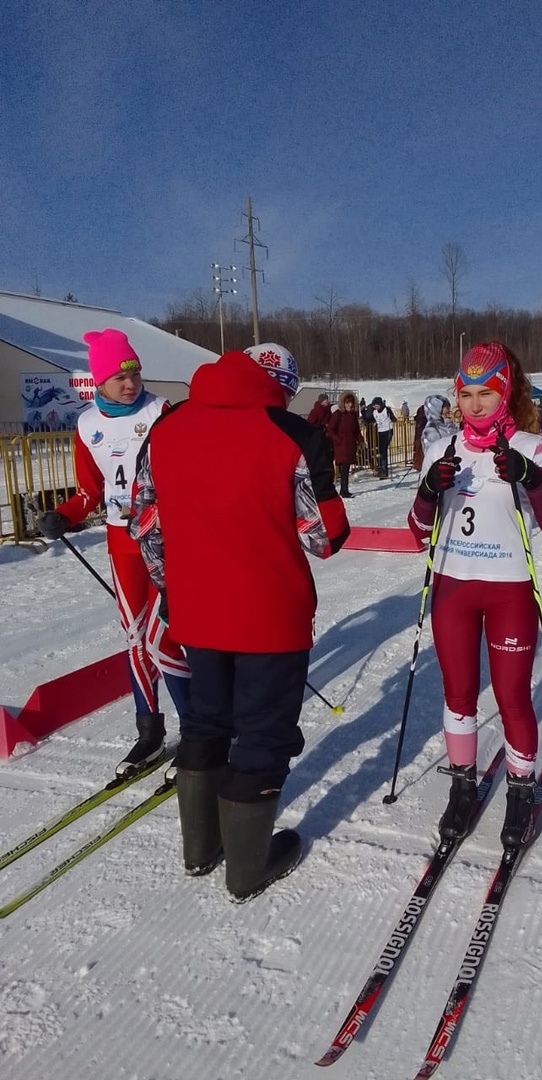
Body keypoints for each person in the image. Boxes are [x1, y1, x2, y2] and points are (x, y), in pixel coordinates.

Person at [129, 344, 350, 901]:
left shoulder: (166, 428)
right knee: (262, 731)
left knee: (205, 721)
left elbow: (144, 526)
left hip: (197, 611)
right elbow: (324, 537)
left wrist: (171, 587)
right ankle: (247, 868)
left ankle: (200, 849)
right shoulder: (293, 434)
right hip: (270, 614)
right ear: (279, 385)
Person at [407, 342, 542, 852]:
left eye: (486, 393)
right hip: (453, 587)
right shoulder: (442, 448)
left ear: (506, 392)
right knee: (458, 694)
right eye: (467, 394)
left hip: (509, 592)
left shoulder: (531, 444)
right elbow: (416, 532)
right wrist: (428, 491)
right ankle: (462, 784)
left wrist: (532, 478)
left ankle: (520, 790)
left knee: (512, 696)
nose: (475, 405)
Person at [36, 328, 190, 777]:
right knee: (136, 636)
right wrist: (64, 515)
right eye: (121, 376)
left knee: (171, 633)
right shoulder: (86, 425)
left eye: (136, 373)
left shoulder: (160, 410)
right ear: (100, 380)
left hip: (164, 536)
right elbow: (89, 491)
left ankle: (199, 727)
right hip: (122, 540)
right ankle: (150, 731)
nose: (131, 382)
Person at [328, 391, 363, 497]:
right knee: (344, 467)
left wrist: (361, 440)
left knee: (346, 468)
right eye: (347, 403)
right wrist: (338, 439)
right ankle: (344, 490)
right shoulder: (338, 415)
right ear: (343, 403)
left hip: (350, 445)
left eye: (351, 403)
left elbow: (356, 431)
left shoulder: (352, 416)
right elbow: (331, 430)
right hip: (341, 445)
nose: (350, 405)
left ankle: (344, 489)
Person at [371, 396, 395, 479]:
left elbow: (392, 417)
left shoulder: (386, 410)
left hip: (388, 430)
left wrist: (393, 419)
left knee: (384, 449)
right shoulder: (374, 412)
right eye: (375, 406)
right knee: (380, 450)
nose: (376, 407)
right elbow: (370, 418)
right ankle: (382, 468)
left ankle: (384, 469)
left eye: (377, 405)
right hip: (380, 432)